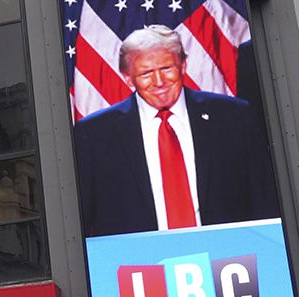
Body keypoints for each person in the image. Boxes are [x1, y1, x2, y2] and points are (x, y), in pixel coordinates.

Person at [72, 24, 280, 238]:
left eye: (166, 69)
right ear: (128, 78)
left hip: (230, 257)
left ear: (183, 66)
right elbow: (83, 220)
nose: (159, 81)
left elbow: (264, 201)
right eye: (146, 73)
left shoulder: (235, 117)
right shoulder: (94, 134)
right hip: (141, 265)